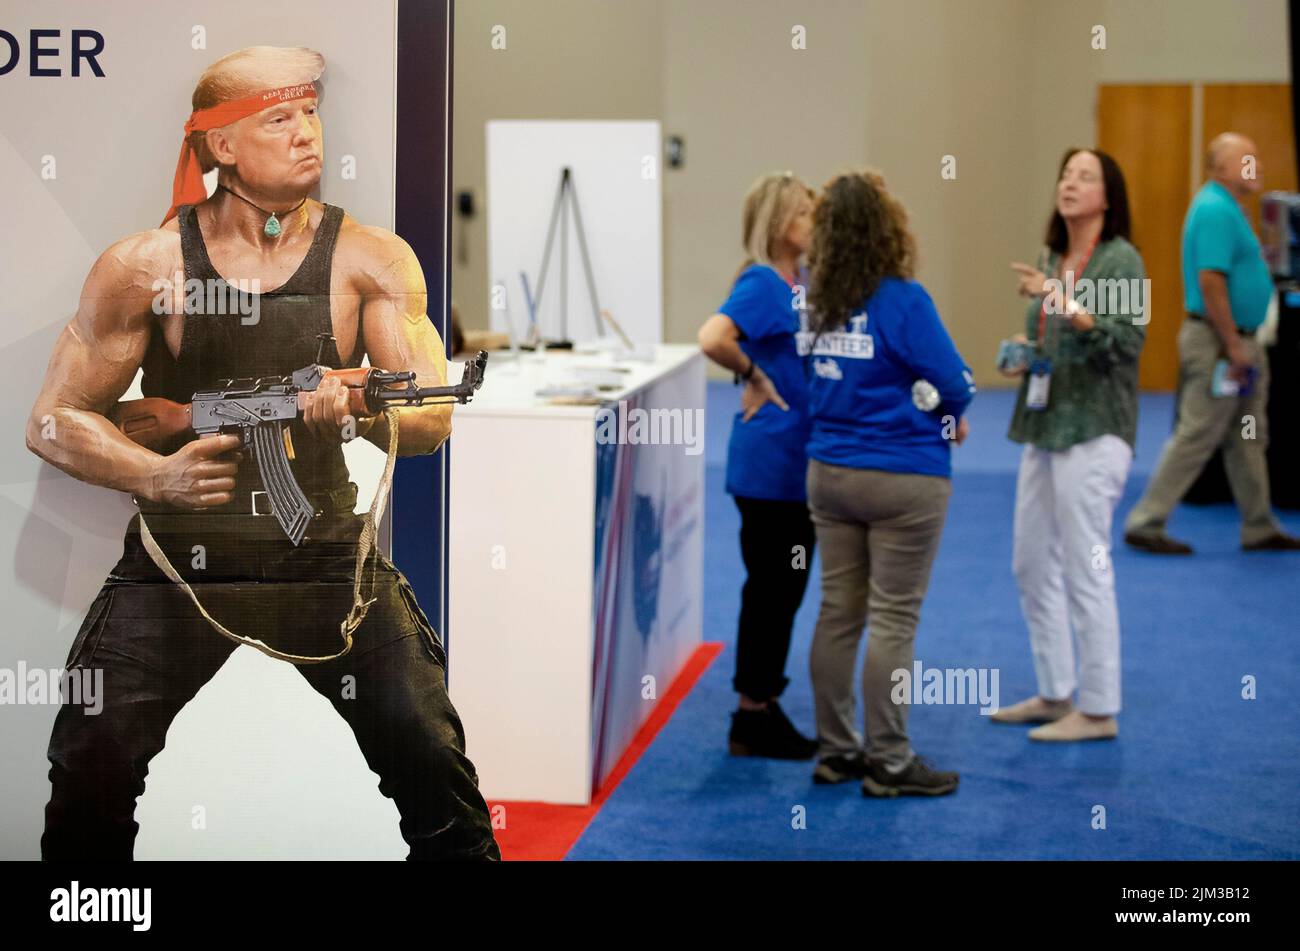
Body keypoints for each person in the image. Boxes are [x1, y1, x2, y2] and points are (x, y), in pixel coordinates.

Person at [26, 46, 500, 860]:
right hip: (177, 565)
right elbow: (55, 420)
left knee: (429, 755)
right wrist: (156, 474)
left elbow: (429, 419)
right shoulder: (147, 265)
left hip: (323, 560)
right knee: (91, 764)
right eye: (279, 118)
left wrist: (350, 415)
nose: (307, 133)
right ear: (221, 147)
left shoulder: (371, 261)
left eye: (312, 112)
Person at [803, 170, 975, 796]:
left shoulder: (812, 300)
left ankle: (835, 752)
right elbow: (952, 383)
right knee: (894, 619)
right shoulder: (905, 300)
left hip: (829, 473)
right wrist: (949, 415)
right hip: (903, 475)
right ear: (888, 229)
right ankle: (890, 761)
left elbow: (805, 381)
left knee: (837, 613)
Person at [994, 148, 1146, 741]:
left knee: (1088, 565)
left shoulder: (1121, 260)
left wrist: (1059, 300)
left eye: (1086, 177)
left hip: (1097, 428)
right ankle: (1056, 692)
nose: (1070, 185)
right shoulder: (1051, 255)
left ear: (1108, 196)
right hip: (1044, 424)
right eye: (1065, 175)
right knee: (1030, 561)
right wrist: (1023, 352)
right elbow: (1053, 336)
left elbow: (1125, 342)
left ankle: (1100, 708)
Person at [1124, 132, 1300, 554]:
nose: (1254, 166)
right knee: (1198, 432)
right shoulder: (1216, 209)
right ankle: (1146, 520)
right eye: (1245, 160)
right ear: (1218, 168)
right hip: (1221, 343)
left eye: (1256, 158)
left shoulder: (1230, 208)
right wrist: (1232, 345)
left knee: (1247, 435)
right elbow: (1211, 280)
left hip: (1238, 341)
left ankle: (1258, 523)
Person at [697, 172, 819, 759]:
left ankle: (761, 704)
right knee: (773, 589)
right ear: (779, 224)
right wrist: (752, 373)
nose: (815, 222)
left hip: (794, 461)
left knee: (784, 589)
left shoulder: (801, 283)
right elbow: (711, 336)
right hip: (770, 466)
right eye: (804, 213)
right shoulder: (766, 283)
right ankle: (752, 715)